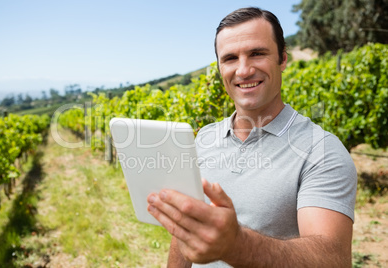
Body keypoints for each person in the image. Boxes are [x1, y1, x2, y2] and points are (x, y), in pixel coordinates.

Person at [147, 7, 357, 267]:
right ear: (220, 68)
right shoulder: (203, 139)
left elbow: (332, 260)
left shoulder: (321, 151)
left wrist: (236, 245)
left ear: (282, 59)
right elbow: (184, 233)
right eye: (231, 58)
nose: (243, 70)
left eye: (257, 53)